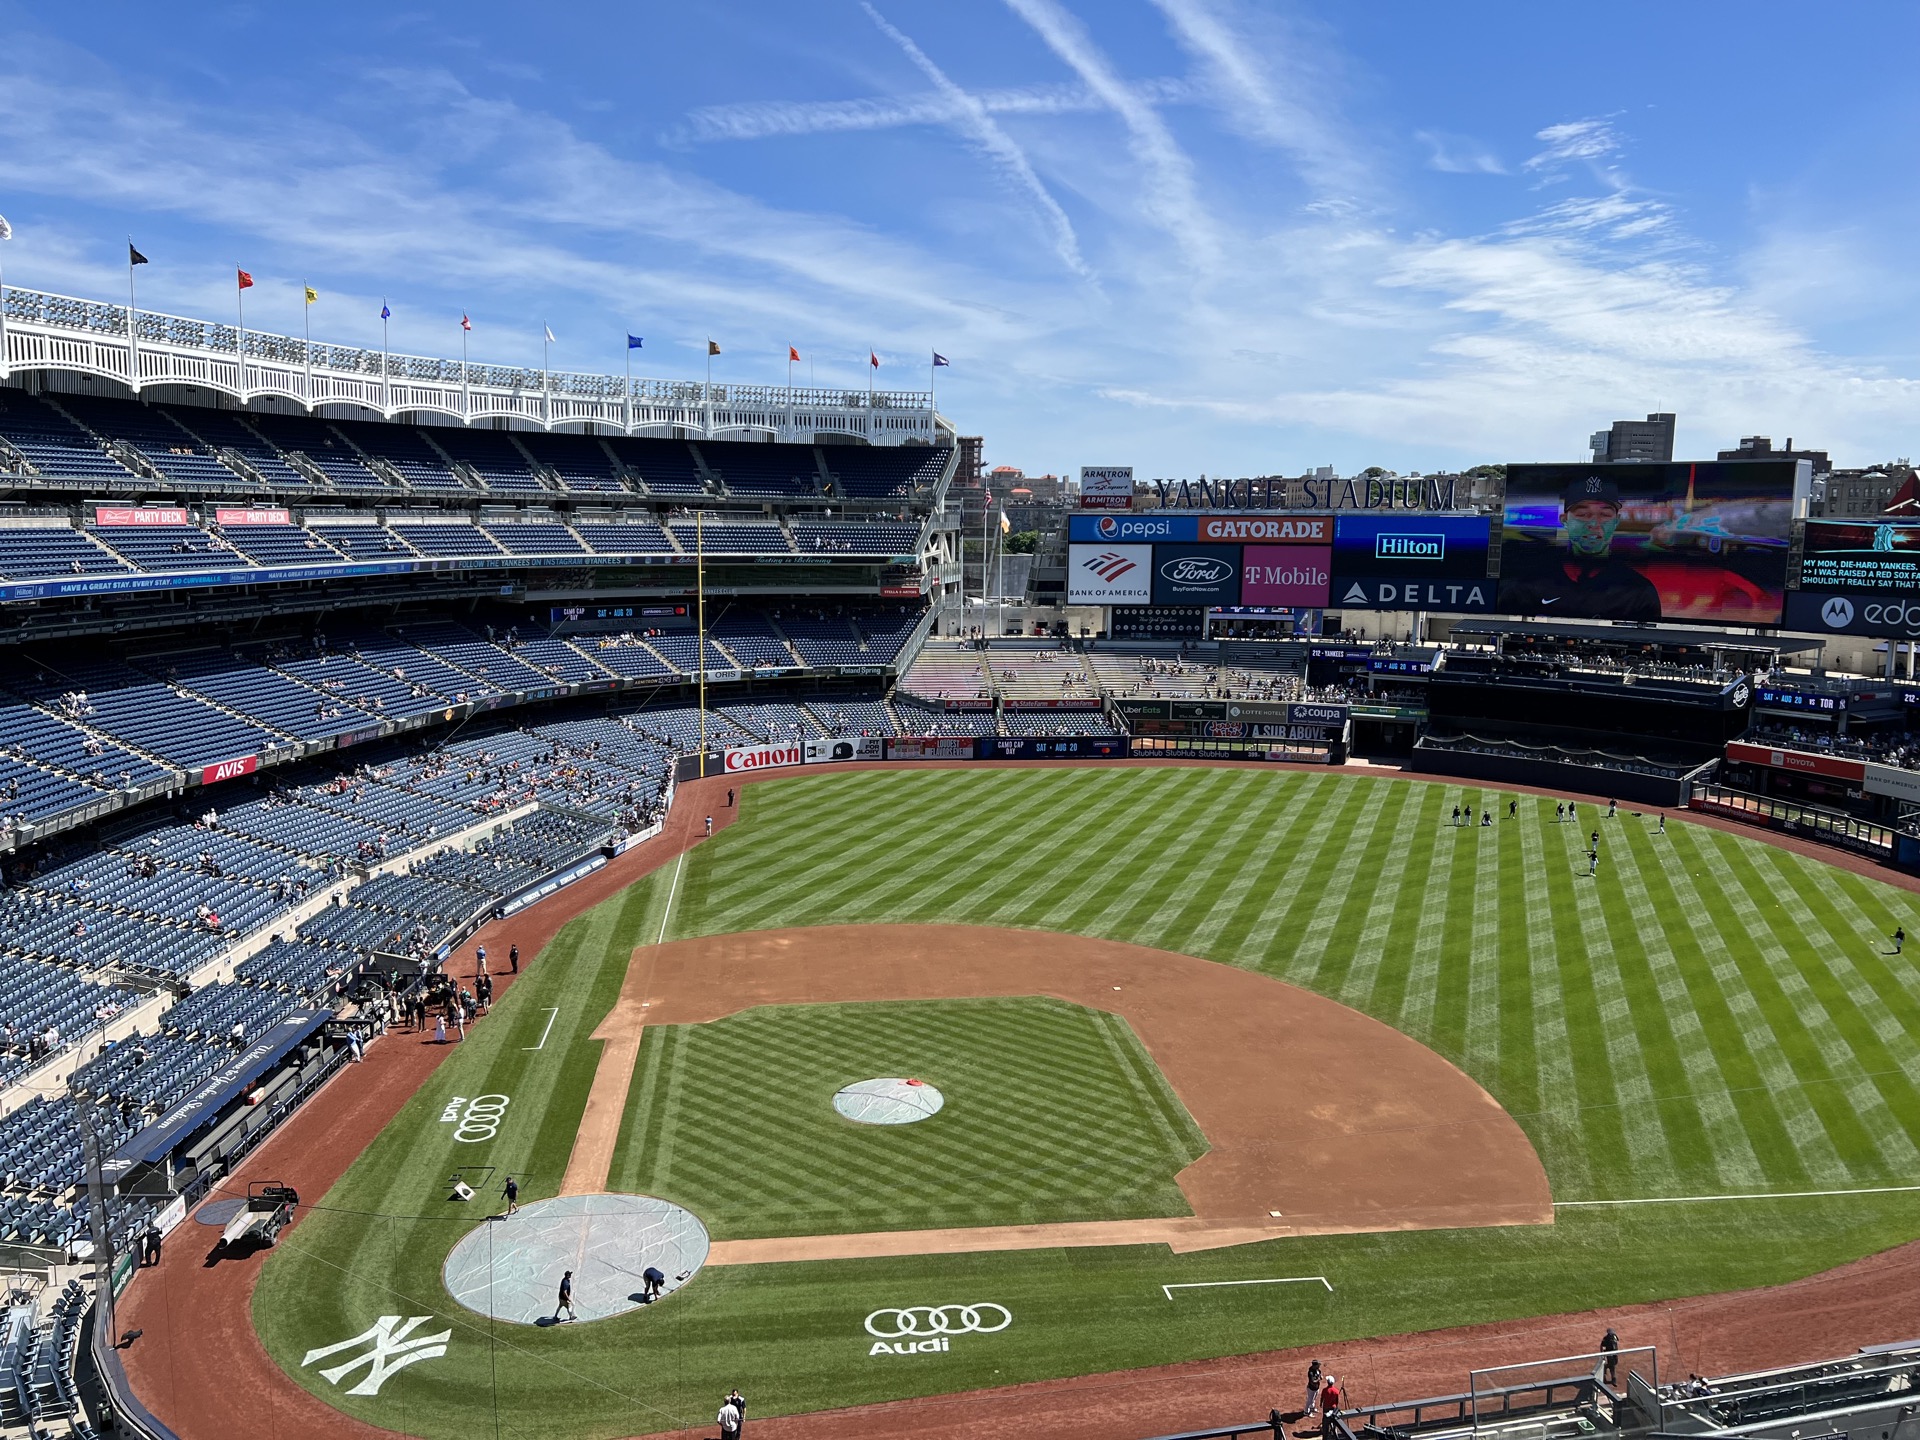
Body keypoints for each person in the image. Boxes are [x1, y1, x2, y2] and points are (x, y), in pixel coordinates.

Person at [1496, 475, 1663, 621]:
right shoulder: (1526, 585)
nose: (1593, 524)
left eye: (1604, 515)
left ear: (1616, 521)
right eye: (1583, 515)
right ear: (1564, 520)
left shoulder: (1639, 591)